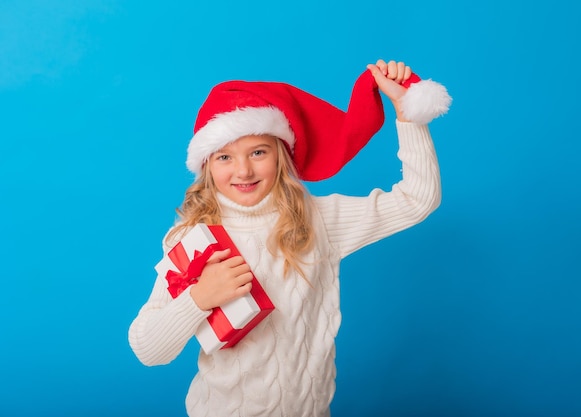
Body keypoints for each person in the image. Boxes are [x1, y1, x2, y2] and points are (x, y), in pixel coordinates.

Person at [129, 59, 451, 417]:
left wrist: (407, 114)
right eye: (224, 156)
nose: (243, 170)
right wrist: (199, 298)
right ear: (206, 165)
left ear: (281, 155)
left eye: (258, 152)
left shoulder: (320, 220)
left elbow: (417, 200)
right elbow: (148, 350)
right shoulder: (192, 237)